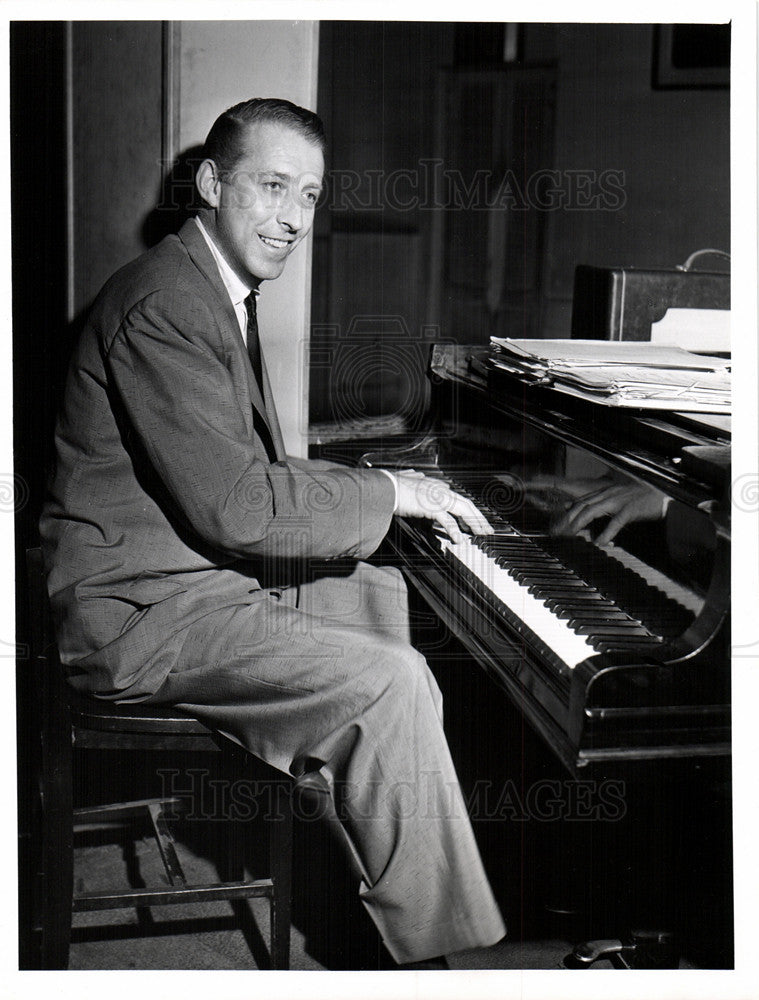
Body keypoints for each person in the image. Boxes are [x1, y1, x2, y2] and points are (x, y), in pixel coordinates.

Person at [40, 98, 506, 968]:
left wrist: (388, 491)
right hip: (136, 615)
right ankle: (443, 959)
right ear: (212, 184)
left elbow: (246, 475)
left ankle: (372, 825)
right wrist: (387, 490)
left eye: (311, 195)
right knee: (390, 681)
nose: (294, 218)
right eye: (271, 186)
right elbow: (240, 509)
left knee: (386, 593)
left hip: (178, 577)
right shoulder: (169, 304)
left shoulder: (209, 283)